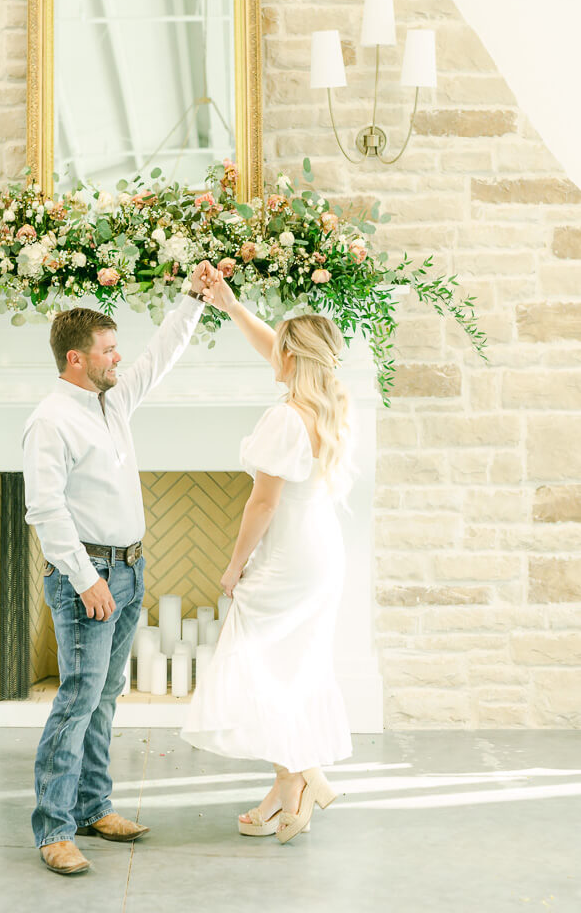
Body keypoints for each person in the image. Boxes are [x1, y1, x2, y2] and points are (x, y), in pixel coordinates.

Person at [23, 261, 216, 876]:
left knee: (105, 695)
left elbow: (159, 356)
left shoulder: (113, 403)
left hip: (130, 570)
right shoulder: (50, 420)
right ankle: (54, 829)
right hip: (89, 578)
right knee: (77, 699)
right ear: (76, 360)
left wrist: (192, 298)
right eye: (108, 351)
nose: (119, 359)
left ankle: (93, 806)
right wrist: (87, 581)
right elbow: (45, 511)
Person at [181, 273, 353, 844]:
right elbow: (270, 344)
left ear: (290, 358)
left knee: (253, 663)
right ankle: (290, 785)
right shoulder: (323, 405)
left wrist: (234, 567)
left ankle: (302, 774)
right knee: (289, 667)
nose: (269, 352)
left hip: (290, 555)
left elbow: (261, 502)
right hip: (320, 549)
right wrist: (231, 305)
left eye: (277, 346)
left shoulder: (286, 417)